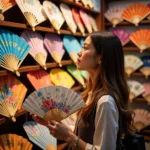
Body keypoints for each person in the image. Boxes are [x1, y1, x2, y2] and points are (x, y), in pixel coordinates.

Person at [32, 32, 133, 150]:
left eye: (85, 48)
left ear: (100, 57)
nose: (79, 52)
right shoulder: (91, 93)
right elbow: (85, 132)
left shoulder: (105, 102)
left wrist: (70, 138)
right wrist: (50, 122)